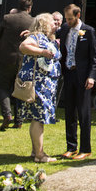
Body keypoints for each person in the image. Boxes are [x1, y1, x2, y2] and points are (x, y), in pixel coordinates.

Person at [17, 12, 61, 163]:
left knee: (39, 118)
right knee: (38, 118)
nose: (54, 24)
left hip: (46, 85)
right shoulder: (35, 37)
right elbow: (23, 46)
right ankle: (39, 155)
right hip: (38, 85)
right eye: (52, 22)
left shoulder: (48, 38)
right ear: (43, 24)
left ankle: (35, 150)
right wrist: (43, 51)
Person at [57, 3, 96, 160]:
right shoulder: (65, 30)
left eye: (70, 18)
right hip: (69, 73)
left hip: (83, 77)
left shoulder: (89, 31)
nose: (67, 21)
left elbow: (94, 57)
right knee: (69, 112)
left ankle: (85, 148)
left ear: (78, 15)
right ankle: (71, 146)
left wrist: (92, 76)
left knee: (83, 112)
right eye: (66, 18)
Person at [0, 0, 36, 130]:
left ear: (18, 7)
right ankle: (19, 120)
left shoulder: (7, 18)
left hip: (5, 58)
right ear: (29, 8)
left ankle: (7, 114)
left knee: (3, 87)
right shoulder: (32, 21)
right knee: (20, 89)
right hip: (22, 60)